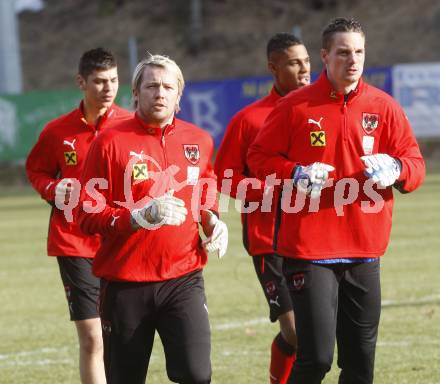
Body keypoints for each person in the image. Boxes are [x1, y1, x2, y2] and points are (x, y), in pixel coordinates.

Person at [248, 18, 425, 384]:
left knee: (360, 364)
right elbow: (260, 159)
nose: (353, 60)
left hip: (364, 250)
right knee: (316, 359)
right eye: (343, 52)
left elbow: (415, 163)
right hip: (309, 251)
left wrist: (397, 167)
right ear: (325, 56)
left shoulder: (384, 106)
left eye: (359, 52)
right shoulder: (294, 107)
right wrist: (295, 172)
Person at [77, 54, 228, 384]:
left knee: (196, 373)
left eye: (167, 87)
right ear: (135, 93)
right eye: (151, 86)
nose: (160, 93)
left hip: (184, 278)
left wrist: (213, 220)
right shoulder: (109, 142)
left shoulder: (199, 140)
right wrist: (135, 217)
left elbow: (206, 190)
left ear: (179, 95)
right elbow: (85, 213)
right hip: (125, 282)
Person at [25, 48, 131, 384]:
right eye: (99, 81)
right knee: (92, 337)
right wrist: (51, 189)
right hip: (73, 242)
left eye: (113, 80)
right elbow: (37, 170)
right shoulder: (57, 131)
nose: (108, 87)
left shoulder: (130, 126)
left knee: (120, 335)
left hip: (118, 239)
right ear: (81, 82)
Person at [214, 33, 310, 384]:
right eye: (293, 62)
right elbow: (224, 179)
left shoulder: (318, 112)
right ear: (273, 68)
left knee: (311, 339)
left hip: (317, 240)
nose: (304, 69)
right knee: (298, 333)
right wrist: (273, 189)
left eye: (307, 61)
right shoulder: (249, 120)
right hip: (268, 240)